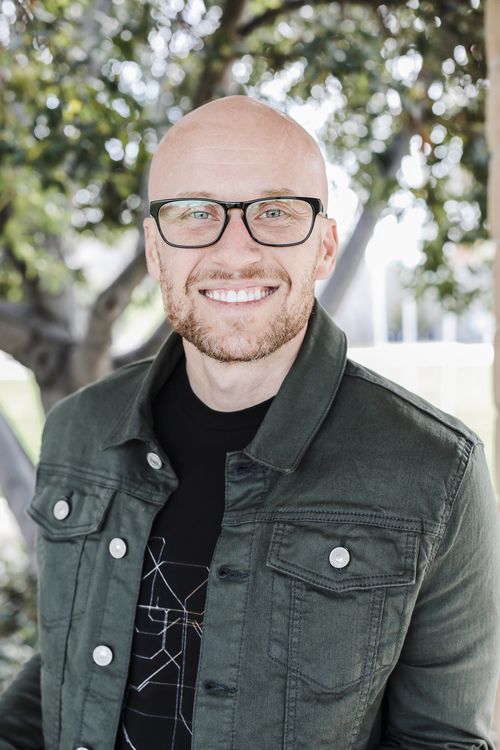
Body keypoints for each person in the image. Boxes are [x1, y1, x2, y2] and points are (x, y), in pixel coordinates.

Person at [0, 95, 499, 750]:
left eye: (274, 211)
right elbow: (61, 673)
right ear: (154, 250)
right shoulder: (79, 428)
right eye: (195, 213)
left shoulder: (436, 470)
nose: (236, 252)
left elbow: (442, 739)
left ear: (325, 246)